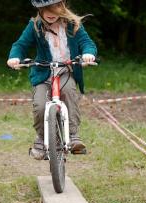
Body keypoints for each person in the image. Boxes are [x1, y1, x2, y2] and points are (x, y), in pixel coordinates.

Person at [7, 0, 97, 160]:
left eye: (54, 8)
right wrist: (14, 57)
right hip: (43, 73)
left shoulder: (72, 24)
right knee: (40, 105)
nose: (50, 12)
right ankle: (42, 139)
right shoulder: (35, 26)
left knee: (69, 92)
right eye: (45, 9)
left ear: (61, 6)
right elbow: (20, 45)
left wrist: (88, 54)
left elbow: (86, 43)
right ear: (39, 9)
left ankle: (73, 135)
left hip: (65, 71)